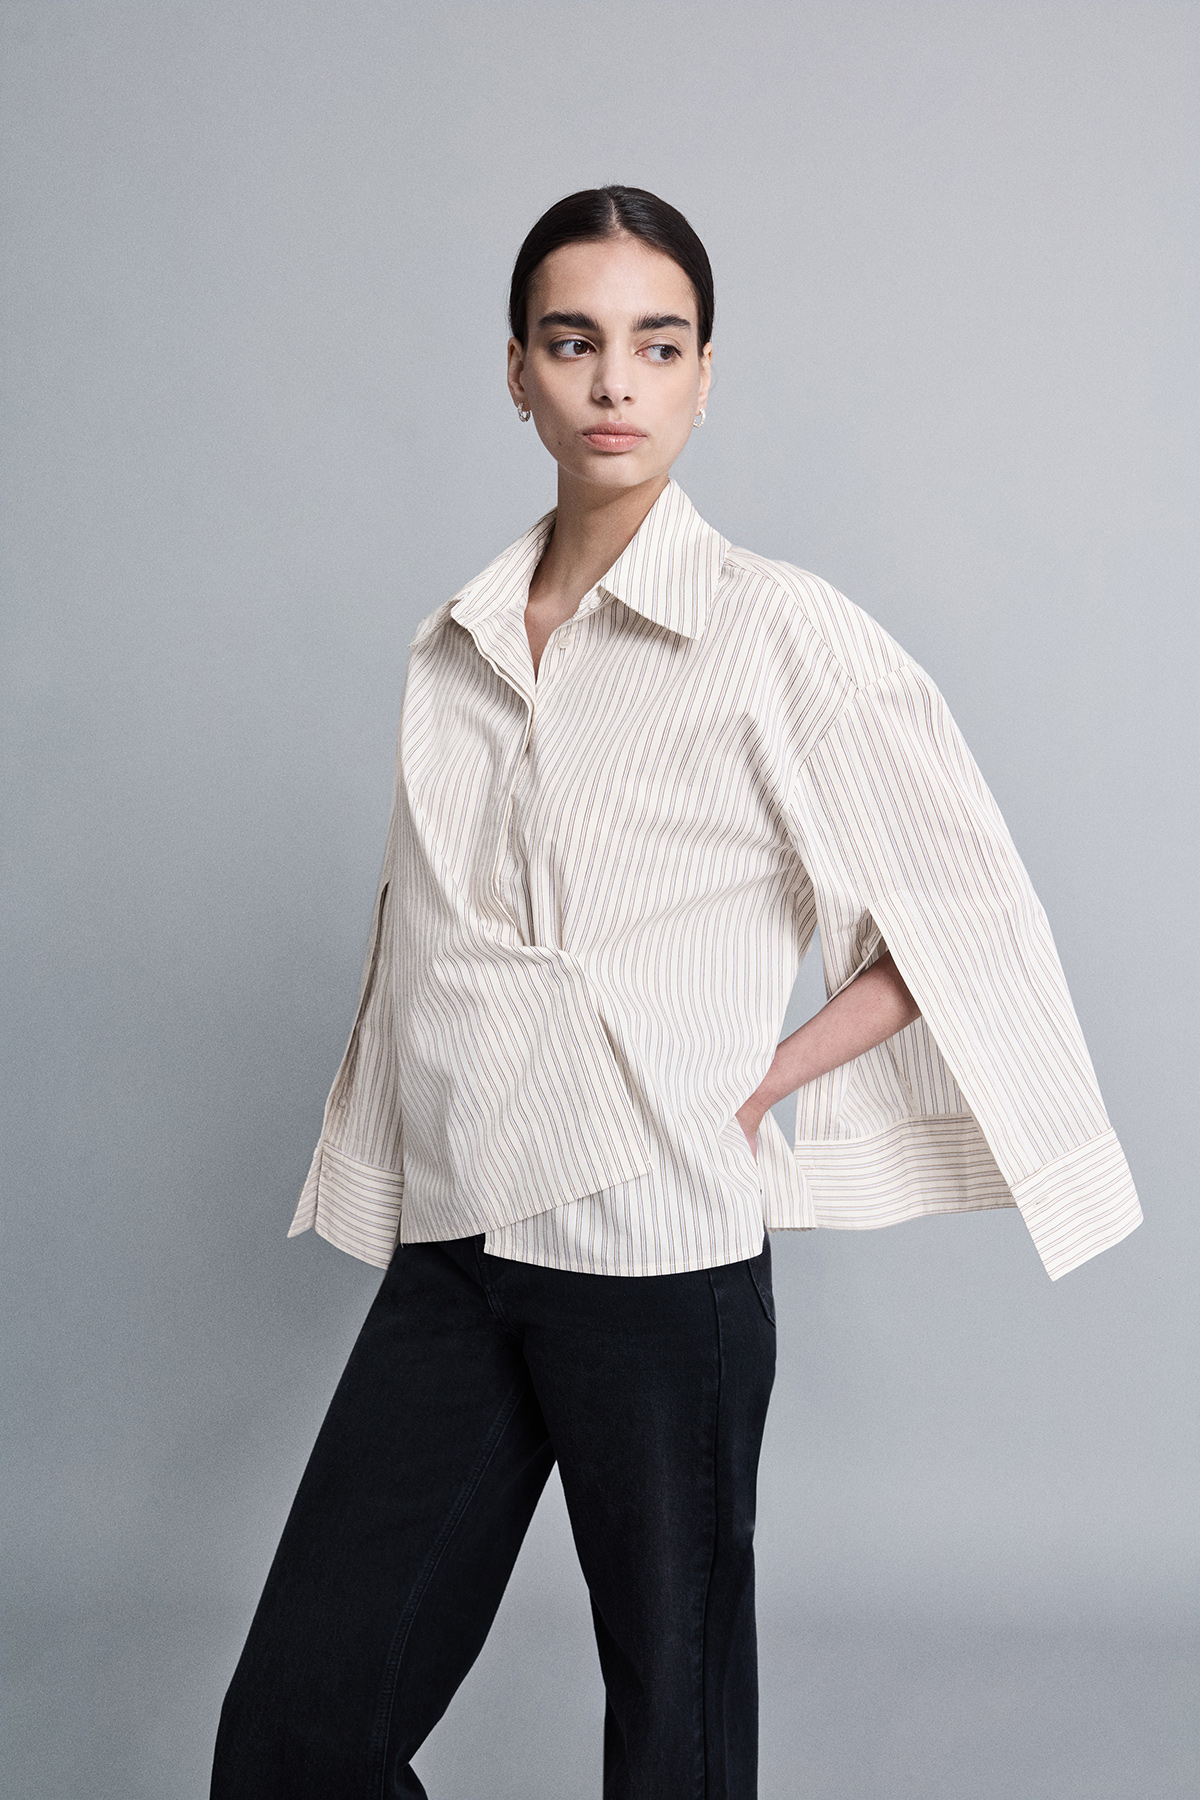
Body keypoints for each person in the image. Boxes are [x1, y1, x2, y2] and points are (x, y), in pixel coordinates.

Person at [210, 186, 1141, 1800]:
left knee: (675, 1741)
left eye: (657, 345)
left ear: (707, 376)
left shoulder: (780, 634)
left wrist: (761, 1080)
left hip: (659, 1252)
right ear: (517, 371)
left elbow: (963, 921)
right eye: (574, 342)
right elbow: (422, 937)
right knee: (298, 1733)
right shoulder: (458, 644)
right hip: (461, 1236)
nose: (614, 383)